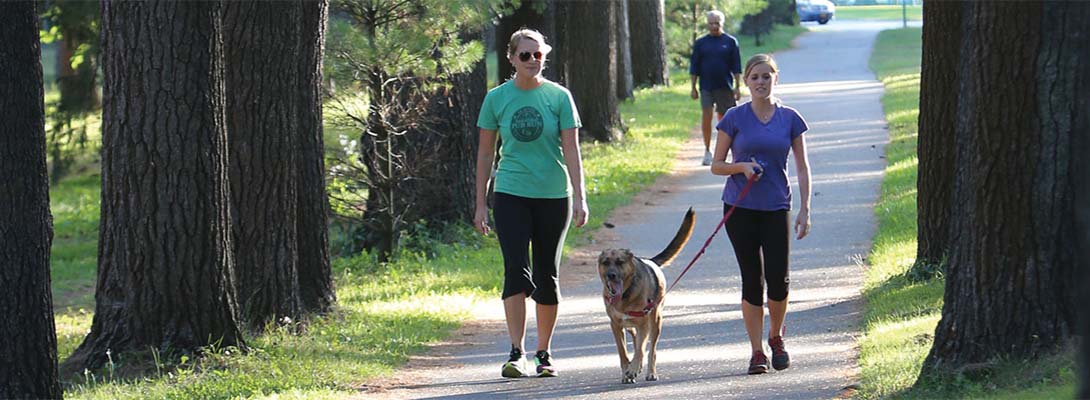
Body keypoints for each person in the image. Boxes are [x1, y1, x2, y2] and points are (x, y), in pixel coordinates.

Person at [473, 28, 589, 379]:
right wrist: (480, 202)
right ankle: (515, 352)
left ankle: (544, 353)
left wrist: (581, 196)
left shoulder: (559, 97)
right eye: (525, 55)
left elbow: (572, 149)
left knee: (546, 275)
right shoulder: (496, 98)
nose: (532, 61)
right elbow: (484, 152)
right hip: (510, 193)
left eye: (538, 54)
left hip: (554, 196)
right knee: (515, 271)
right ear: (511, 58)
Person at [710, 53, 812, 375]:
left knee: (778, 279)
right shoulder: (734, 117)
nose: (761, 82)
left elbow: (803, 167)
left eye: (767, 76)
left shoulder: (790, 118)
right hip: (740, 208)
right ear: (746, 82)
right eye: (755, 77)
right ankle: (756, 352)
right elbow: (716, 165)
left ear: (775, 79)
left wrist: (805, 210)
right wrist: (741, 167)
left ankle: (776, 337)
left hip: (776, 206)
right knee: (752, 280)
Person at [690, 9, 743, 166]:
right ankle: (707, 151)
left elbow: (736, 66)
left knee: (726, 120)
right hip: (706, 86)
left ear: (722, 24)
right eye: (711, 23)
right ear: (707, 24)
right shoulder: (701, 43)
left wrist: (738, 87)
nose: (714, 26)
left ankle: (728, 150)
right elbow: (694, 67)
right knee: (706, 116)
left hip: (725, 87)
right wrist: (693, 87)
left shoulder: (730, 42)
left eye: (717, 23)